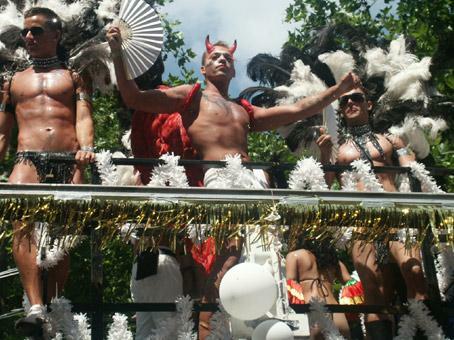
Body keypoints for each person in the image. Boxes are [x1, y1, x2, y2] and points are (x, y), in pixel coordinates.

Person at [106, 27, 361, 338]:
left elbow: (297, 109)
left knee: (268, 267)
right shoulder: (191, 96)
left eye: (227, 57)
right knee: (221, 269)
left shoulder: (244, 110)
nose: (222, 60)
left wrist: (338, 89)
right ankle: (207, 331)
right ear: (204, 68)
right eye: (215, 56)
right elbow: (134, 98)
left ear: (233, 68)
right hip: (217, 184)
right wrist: (117, 52)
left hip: (253, 189)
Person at [0, 7, 95, 337]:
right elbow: (2, 131)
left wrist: (87, 148)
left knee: (61, 240)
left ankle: (52, 307)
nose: (29, 37)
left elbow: (83, 117)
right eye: (26, 31)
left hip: (68, 160)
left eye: (37, 31)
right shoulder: (12, 80)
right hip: (27, 159)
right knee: (21, 224)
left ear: (56, 35)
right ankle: (36, 305)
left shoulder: (74, 76)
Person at [321, 86, 429, 339]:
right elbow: (325, 185)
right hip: (360, 221)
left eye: (356, 97)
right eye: (344, 100)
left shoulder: (392, 140)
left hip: (396, 215)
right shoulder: (337, 150)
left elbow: (414, 174)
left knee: (414, 272)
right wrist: (326, 155)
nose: (350, 102)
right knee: (373, 290)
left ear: (368, 104)